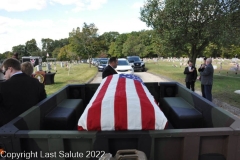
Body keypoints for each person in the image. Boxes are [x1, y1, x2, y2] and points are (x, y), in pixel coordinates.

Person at [0, 58, 46, 127]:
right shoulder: (36, 82)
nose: (4, 75)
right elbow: (43, 102)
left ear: (10, 69)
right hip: (34, 124)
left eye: (4, 72)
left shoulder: (3, 86)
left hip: (10, 130)